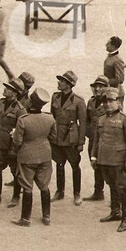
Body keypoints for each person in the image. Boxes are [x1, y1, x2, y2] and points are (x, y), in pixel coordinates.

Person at [90, 87, 126, 233]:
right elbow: (96, 139)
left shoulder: (125, 119)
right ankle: (115, 212)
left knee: (122, 189)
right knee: (111, 185)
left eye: (111, 101)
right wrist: (94, 157)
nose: (107, 104)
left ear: (118, 102)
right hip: (104, 159)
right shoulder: (101, 119)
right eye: (105, 101)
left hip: (119, 161)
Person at [11, 87, 57, 227]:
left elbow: (17, 141)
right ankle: (47, 216)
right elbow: (53, 137)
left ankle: (25, 218)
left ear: (30, 102)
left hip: (27, 156)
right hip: (44, 155)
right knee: (44, 186)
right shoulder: (49, 118)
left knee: (27, 186)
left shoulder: (23, 120)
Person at [0, 79, 25, 207]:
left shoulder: (20, 109)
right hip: (1, 142)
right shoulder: (1, 102)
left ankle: (16, 196)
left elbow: (21, 131)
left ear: (15, 93)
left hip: (12, 145)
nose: (5, 89)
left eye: (8, 88)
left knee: (15, 171)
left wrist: (15, 148)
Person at [49, 71, 87, 205]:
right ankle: (60, 191)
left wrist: (81, 142)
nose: (59, 83)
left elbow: (83, 123)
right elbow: (52, 117)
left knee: (75, 165)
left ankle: (77, 193)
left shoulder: (78, 101)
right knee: (59, 164)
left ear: (69, 85)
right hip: (57, 137)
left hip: (71, 138)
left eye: (62, 81)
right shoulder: (55, 97)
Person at [83, 75, 110, 202]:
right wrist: (89, 133)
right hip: (93, 140)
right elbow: (87, 120)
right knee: (95, 165)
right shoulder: (91, 101)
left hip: (105, 141)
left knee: (108, 168)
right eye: (96, 87)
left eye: (101, 86)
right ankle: (98, 192)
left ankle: (115, 197)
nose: (97, 89)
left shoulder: (110, 103)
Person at [102, 36, 126, 104]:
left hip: (116, 93)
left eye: (108, 43)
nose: (106, 45)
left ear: (113, 46)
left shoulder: (118, 60)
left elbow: (120, 79)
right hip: (109, 90)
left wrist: (105, 81)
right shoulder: (110, 55)